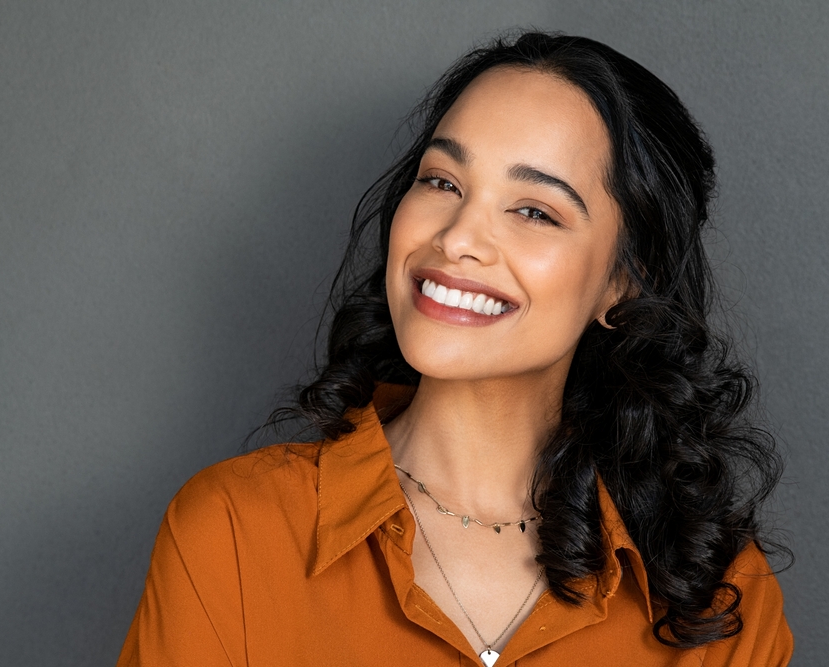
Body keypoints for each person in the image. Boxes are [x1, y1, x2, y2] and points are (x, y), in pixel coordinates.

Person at [117, 31, 792, 666]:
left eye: (534, 210)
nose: (458, 236)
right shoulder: (231, 533)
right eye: (443, 181)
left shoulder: (724, 595)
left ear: (623, 280)